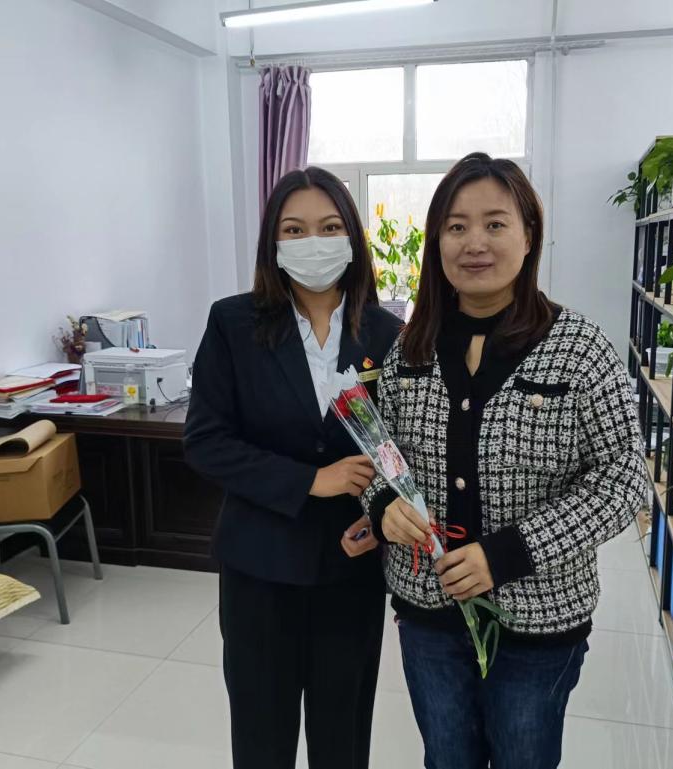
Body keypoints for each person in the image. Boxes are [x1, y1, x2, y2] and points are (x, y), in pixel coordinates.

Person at [361, 152, 646, 769]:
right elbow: (380, 456)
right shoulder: (410, 348)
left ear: (529, 234)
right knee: (447, 756)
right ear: (437, 241)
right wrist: (383, 505)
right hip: (428, 609)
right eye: (456, 226)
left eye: (495, 223)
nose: (475, 243)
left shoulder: (580, 349)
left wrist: (509, 553)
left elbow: (625, 480)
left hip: (538, 620)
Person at [184, 166, 403, 769]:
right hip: (260, 568)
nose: (314, 242)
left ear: (352, 237)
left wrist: (384, 515)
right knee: (262, 739)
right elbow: (205, 441)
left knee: (343, 738)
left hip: (351, 568)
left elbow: (400, 450)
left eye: (330, 227)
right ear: (274, 242)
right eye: (295, 229)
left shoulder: (388, 334)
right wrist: (310, 480)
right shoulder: (234, 324)